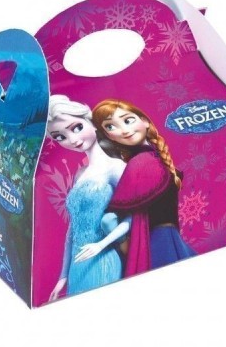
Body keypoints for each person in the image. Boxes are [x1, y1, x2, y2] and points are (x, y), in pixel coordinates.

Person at [92, 99, 196, 276]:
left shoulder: (141, 163)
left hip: (156, 245)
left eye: (128, 120)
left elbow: (109, 219)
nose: (124, 130)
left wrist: (125, 246)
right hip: (168, 240)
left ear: (145, 121)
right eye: (110, 126)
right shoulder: (152, 159)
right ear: (109, 136)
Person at [47, 95, 131, 301]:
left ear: (92, 122)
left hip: (102, 257)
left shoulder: (115, 167)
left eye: (77, 128)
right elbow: (73, 228)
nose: (73, 140)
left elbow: (134, 217)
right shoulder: (80, 174)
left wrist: (101, 245)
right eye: (60, 137)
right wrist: (63, 276)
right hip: (78, 264)